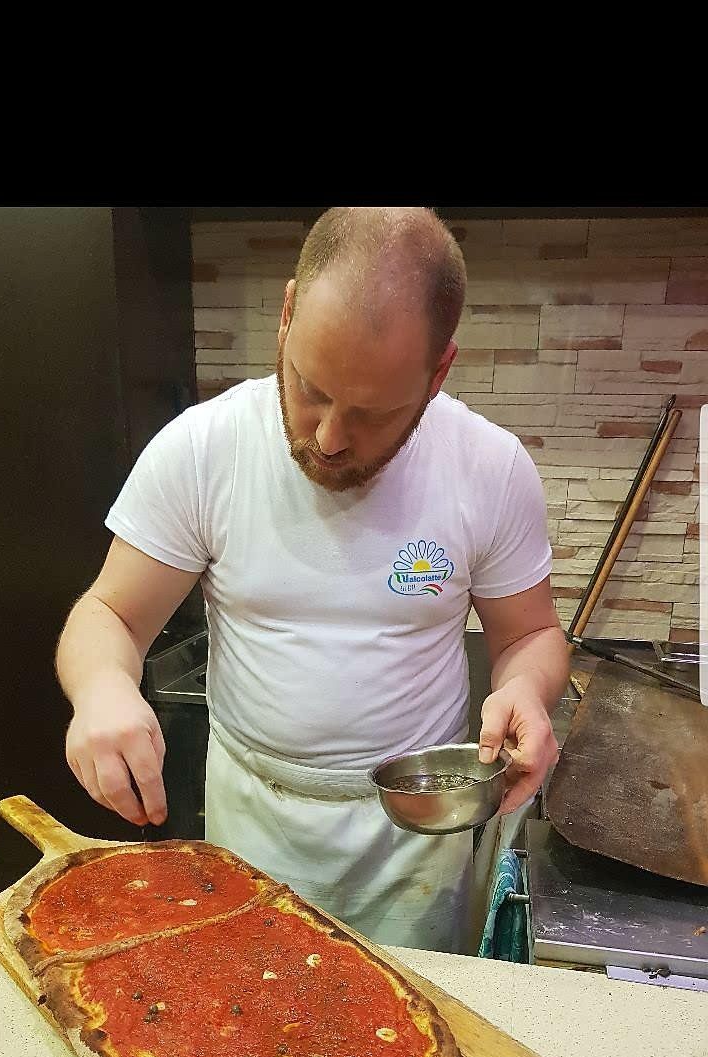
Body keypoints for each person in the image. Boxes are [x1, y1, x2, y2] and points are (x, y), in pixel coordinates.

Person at [56, 207, 568, 952]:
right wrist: (102, 688)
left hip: (413, 841)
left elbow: (532, 635)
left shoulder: (489, 468)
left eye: (373, 413)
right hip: (252, 824)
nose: (327, 438)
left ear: (439, 372)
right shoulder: (202, 451)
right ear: (287, 312)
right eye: (310, 388)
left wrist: (526, 690)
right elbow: (110, 614)